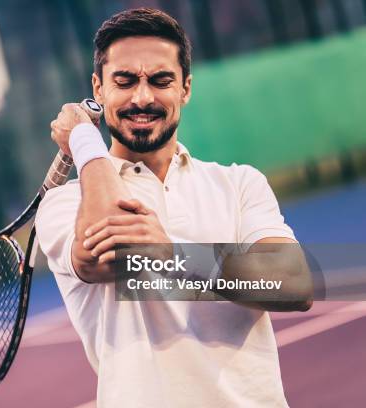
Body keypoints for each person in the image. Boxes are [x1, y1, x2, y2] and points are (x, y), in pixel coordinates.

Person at [35, 7, 314, 408]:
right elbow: (115, 251)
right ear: (98, 89)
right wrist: (84, 141)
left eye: (161, 80)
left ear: (185, 88)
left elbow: (294, 284)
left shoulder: (238, 184)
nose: (143, 97)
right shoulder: (65, 204)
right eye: (125, 81)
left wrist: (175, 255)